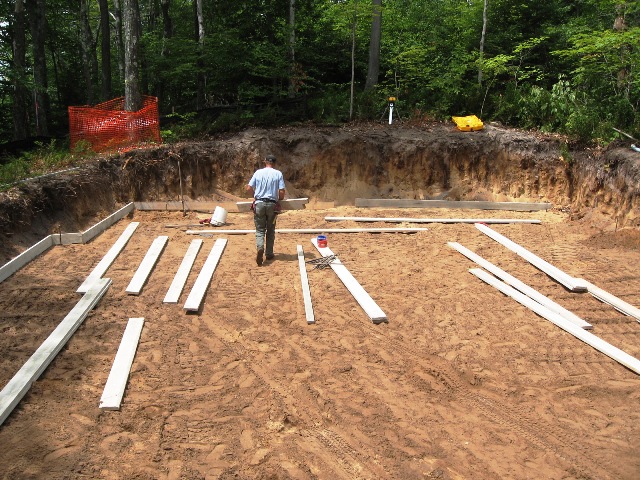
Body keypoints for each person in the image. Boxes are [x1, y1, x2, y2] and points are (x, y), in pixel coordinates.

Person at [246, 154, 286, 266]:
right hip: (272, 205)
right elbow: (281, 192)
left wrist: (255, 196)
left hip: (259, 204)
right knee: (271, 229)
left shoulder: (258, 173)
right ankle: (269, 253)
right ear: (274, 163)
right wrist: (279, 199)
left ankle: (260, 248)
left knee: (260, 229)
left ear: (265, 162)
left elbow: (248, 188)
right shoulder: (278, 174)